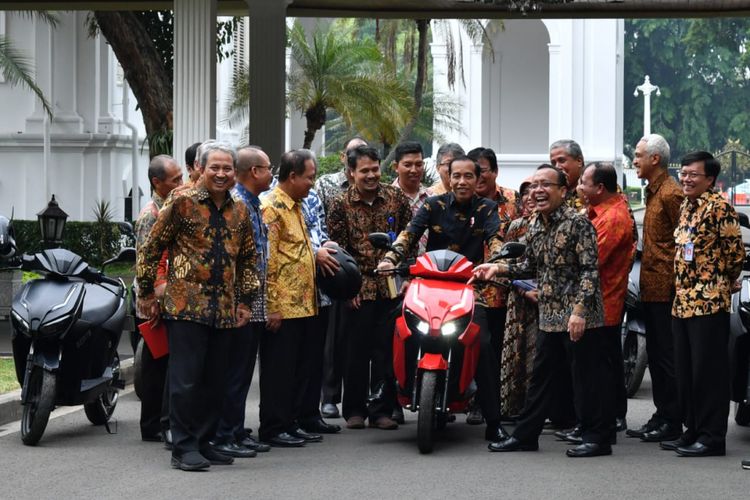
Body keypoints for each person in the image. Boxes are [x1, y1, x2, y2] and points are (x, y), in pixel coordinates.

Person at [136, 142, 259, 472]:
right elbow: (151, 249)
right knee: (186, 382)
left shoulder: (240, 209)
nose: (221, 174)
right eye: (214, 168)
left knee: (215, 381)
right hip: (186, 307)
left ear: (235, 172)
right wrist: (147, 294)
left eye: (227, 168)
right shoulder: (182, 201)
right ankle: (184, 446)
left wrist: (246, 300)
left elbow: (249, 257)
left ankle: (205, 442)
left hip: (225, 310)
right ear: (201, 170)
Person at [476, 164, 612, 458]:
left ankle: (597, 437)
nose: (538, 191)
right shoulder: (537, 223)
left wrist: (579, 312)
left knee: (586, 378)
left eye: (545, 185)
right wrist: (496, 266)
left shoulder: (578, 224)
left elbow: (590, 271)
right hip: (550, 315)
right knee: (541, 377)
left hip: (579, 317)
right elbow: (528, 266)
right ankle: (526, 435)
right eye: (534, 185)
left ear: (562, 191)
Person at [379, 155, 508, 443]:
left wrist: (496, 263)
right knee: (391, 326)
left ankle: (494, 420)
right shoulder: (432, 205)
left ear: (478, 180)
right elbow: (408, 235)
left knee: (485, 343)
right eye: (456, 176)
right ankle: (386, 392)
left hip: (470, 286)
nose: (462, 181)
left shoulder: (487, 208)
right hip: (427, 284)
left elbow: (495, 239)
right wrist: (390, 258)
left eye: (468, 176)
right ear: (447, 177)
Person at [327, 145, 412, 430]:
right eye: (364, 171)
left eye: (375, 169)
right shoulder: (340, 203)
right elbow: (336, 249)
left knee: (387, 351)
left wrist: (407, 278)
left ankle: (382, 410)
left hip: (391, 286)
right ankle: (354, 410)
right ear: (351, 173)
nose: (371, 175)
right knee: (355, 352)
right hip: (357, 288)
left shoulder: (396, 197)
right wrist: (348, 290)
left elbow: (408, 238)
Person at [666, 151, 744, 457]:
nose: (685, 179)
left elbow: (735, 254)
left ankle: (712, 437)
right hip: (682, 301)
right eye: (683, 173)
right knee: (685, 372)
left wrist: (720, 281)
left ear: (709, 179)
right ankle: (693, 429)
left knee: (707, 373)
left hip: (709, 303)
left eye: (692, 174)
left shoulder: (719, 207)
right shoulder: (688, 205)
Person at [259, 149, 333, 447]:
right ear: (292, 177)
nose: (312, 184)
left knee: (297, 368)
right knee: (279, 370)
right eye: (309, 177)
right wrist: (272, 306)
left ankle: (291, 422)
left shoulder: (297, 204)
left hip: (305, 302)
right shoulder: (272, 207)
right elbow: (269, 261)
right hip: (284, 306)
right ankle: (274, 427)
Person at [212, 146, 274, 458]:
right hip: (239, 302)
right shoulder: (239, 204)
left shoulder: (252, 203)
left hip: (253, 300)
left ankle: (235, 430)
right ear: (254, 172)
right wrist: (244, 301)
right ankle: (224, 433)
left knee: (242, 370)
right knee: (234, 373)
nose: (271, 172)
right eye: (267, 167)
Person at [626, 133, 685, 443]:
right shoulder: (653, 192)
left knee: (666, 358)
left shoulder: (672, 194)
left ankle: (672, 420)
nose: (634, 160)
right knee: (659, 356)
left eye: (638, 155)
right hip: (650, 285)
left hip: (667, 288)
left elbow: (684, 241)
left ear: (655, 159)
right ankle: (662, 415)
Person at [574, 162, 636, 440]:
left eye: (583, 183)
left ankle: (602, 425)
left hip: (602, 304)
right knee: (600, 366)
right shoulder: (600, 211)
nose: (579, 187)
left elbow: (590, 262)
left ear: (599, 188)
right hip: (599, 302)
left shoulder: (612, 219)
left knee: (598, 369)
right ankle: (601, 421)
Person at [466, 146, 520, 424]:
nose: (476, 177)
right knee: (476, 345)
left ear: (495, 172)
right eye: (472, 171)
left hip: (505, 288)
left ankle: (499, 405)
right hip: (471, 290)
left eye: (482, 170)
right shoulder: (464, 203)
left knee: (499, 348)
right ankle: (475, 401)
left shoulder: (512, 200)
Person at [316, 137, 368, 419]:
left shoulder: (377, 188)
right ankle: (330, 396)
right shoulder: (327, 185)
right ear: (345, 161)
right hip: (338, 269)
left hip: (371, 275)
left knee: (359, 342)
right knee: (334, 340)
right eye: (352, 155)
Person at [134, 154, 182, 446]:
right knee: (155, 370)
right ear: (157, 182)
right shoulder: (151, 214)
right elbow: (145, 260)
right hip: (153, 302)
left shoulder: (170, 207)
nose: (181, 183)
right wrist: (151, 300)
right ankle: (152, 425)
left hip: (166, 298)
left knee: (164, 366)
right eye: (175, 179)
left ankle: (157, 423)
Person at [499, 178, 538, 418]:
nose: (531, 196)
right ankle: (514, 409)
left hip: (547, 300)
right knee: (517, 354)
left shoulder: (555, 225)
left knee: (539, 358)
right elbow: (507, 264)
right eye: (526, 193)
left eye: (536, 191)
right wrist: (523, 288)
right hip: (519, 299)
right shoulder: (515, 227)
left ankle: (539, 411)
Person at [549, 139, 585, 211]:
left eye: (562, 160)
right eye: (553, 163)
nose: (557, 167)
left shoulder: (595, 188)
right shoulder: (553, 191)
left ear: (579, 161)